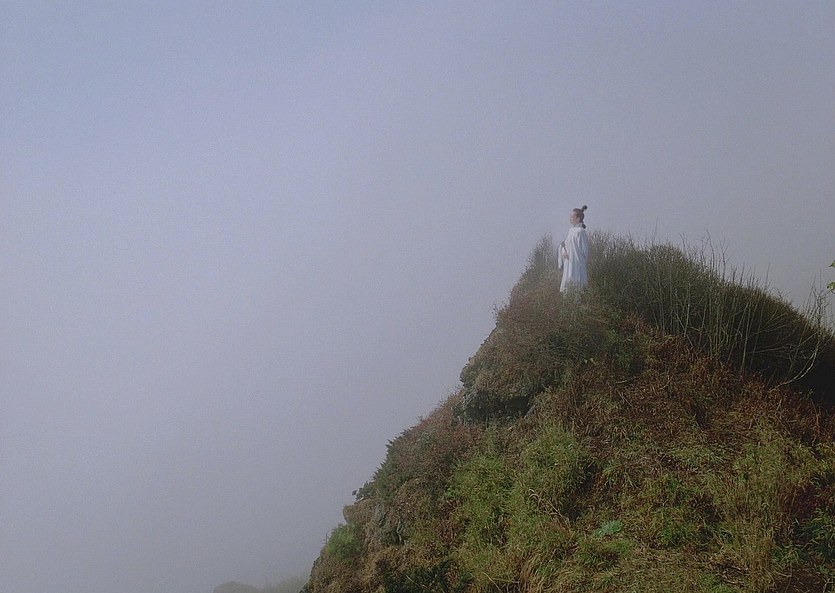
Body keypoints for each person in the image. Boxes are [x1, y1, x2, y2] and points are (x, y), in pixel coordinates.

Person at [558, 205, 589, 293]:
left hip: (577, 263)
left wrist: (581, 261)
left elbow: (585, 250)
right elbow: (565, 244)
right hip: (569, 261)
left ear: (578, 219)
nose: (570, 219)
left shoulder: (581, 232)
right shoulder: (571, 230)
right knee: (569, 282)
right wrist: (564, 252)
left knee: (577, 284)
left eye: (572, 217)